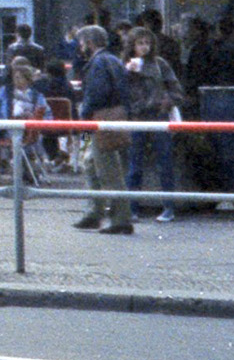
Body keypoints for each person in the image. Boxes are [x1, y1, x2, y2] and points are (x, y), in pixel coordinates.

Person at [73, 25, 133, 234]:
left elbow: (96, 95)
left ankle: (120, 219)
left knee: (106, 169)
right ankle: (95, 212)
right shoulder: (114, 60)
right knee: (90, 163)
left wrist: (83, 117)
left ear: (89, 43)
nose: (80, 47)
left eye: (82, 43)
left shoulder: (97, 63)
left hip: (97, 120)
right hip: (111, 118)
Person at [121, 25, 184, 222]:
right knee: (134, 164)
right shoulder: (124, 65)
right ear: (132, 45)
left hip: (158, 115)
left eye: (147, 43)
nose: (144, 47)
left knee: (165, 162)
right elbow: (119, 91)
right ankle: (132, 207)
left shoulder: (160, 64)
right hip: (137, 118)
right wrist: (126, 73)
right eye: (140, 43)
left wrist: (168, 101)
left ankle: (168, 207)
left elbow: (176, 90)